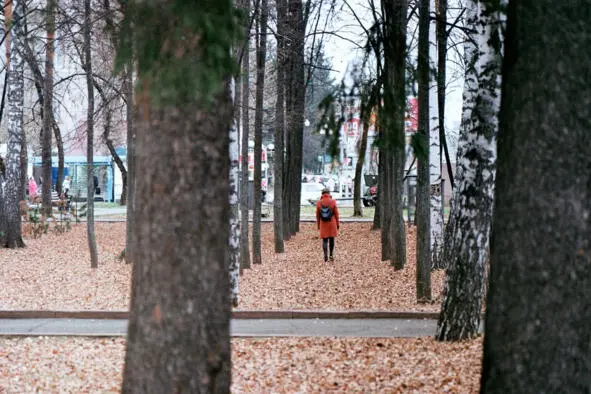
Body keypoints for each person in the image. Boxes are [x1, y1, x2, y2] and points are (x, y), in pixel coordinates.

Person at [316, 187, 340, 262]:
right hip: (332, 222)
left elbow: (317, 215)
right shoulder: (333, 201)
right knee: (332, 239)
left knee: (325, 240)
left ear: (322, 194)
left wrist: (318, 225)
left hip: (323, 223)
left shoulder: (319, 202)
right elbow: (336, 214)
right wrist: (337, 224)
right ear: (329, 193)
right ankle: (331, 255)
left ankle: (325, 256)